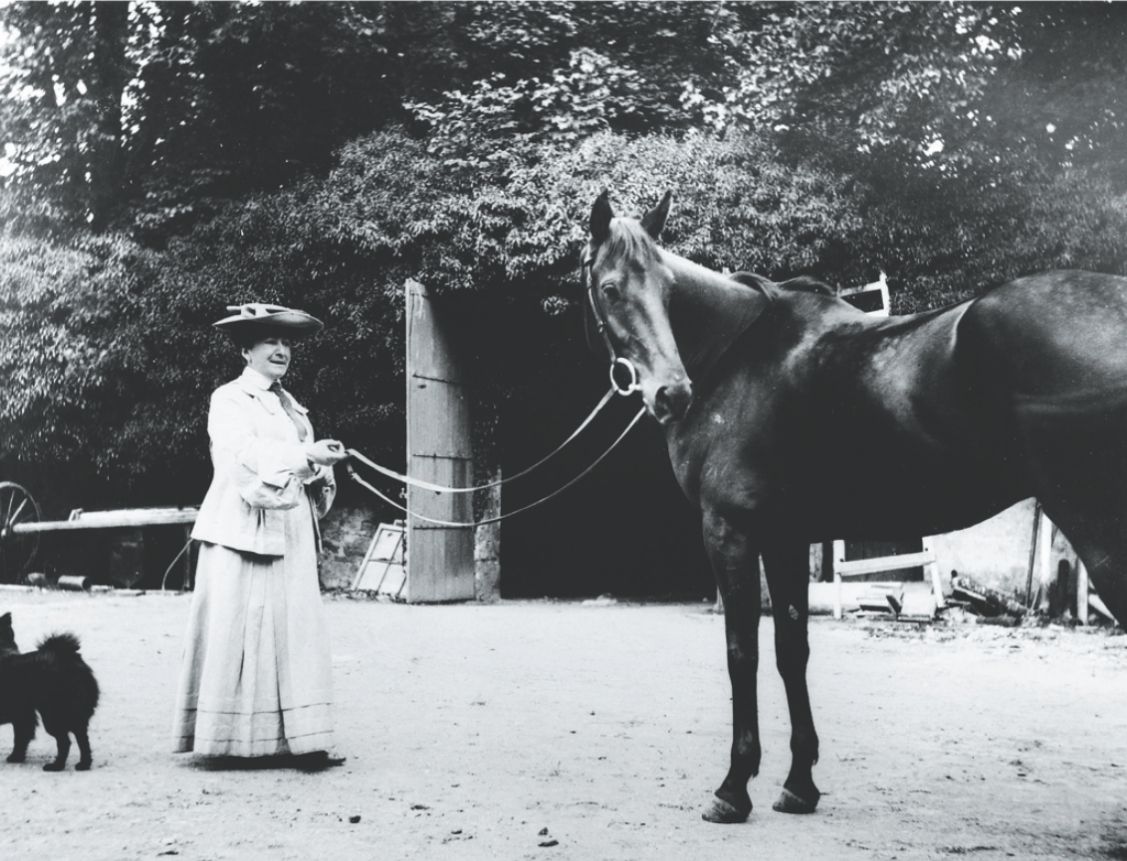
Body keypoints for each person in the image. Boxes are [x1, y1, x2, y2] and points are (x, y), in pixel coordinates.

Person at [172, 302, 349, 763]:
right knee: (243, 628)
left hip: (288, 527)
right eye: (270, 341)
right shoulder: (228, 399)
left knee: (294, 630)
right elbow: (240, 456)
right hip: (242, 529)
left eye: (287, 342)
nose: (281, 349)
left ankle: (301, 740)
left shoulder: (291, 406)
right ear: (246, 349)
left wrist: (315, 461)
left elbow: (300, 469)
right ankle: (228, 742)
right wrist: (303, 455)